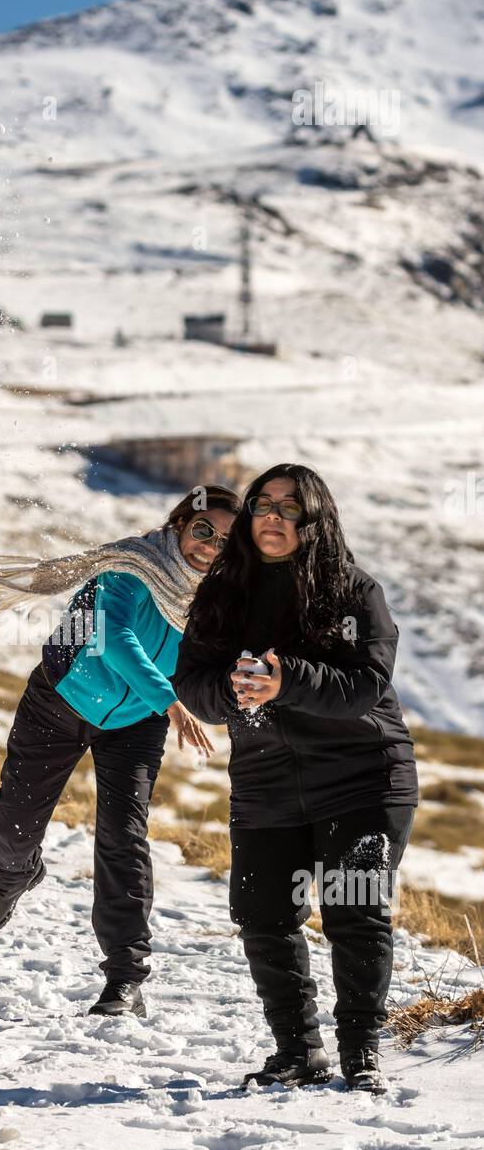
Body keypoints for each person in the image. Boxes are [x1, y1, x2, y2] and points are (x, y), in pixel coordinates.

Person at [0, 485, 240, 1018]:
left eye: (226, 541)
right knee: (14, 825)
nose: (210, 547)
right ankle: (15, 876)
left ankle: (126, 979)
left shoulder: (220, 601)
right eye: (204, 530)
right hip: (60, 703)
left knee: (122, 837)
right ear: (180, 524)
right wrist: (171, 703)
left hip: (134, 725)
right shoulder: (131, 565)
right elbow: (112, 635)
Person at [173, 465, 418, 1093]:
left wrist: (290, 682)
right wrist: (230, 693)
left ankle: (362, 1053)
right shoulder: (222, 593)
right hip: (265, 781)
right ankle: (297, 1052)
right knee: (263, 916)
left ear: (315, 519)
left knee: (355, 911)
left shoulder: (354, 592)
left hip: (364, 776)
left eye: (291, 506)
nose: (274, 516)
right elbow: (191, 681)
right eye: (264, 504)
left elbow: (367, 685)